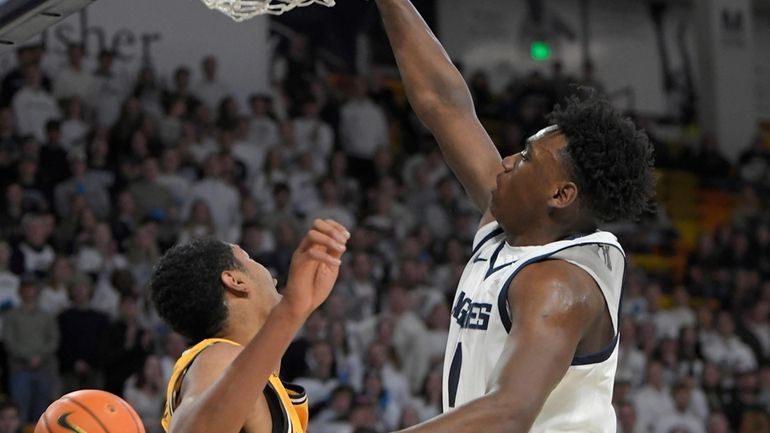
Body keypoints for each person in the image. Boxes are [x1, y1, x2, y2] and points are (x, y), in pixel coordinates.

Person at [373, 1, 655, 432]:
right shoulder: (518, 226)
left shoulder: (559, 285)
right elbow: (445, 105)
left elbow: (508, 413)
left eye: (526, 157)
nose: (505, 161)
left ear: (560, 195)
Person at [151, 219, 349, 433]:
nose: (273, 278)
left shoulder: (261, 386)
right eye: (250, 259)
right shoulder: (220, 355)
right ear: (235, 281)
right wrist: (291, 312)